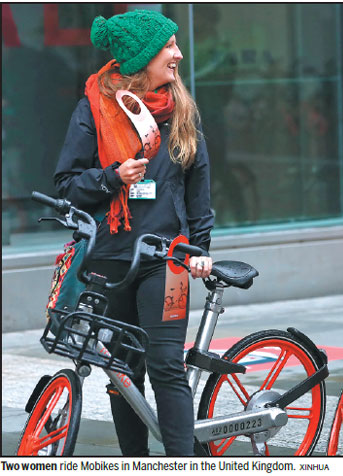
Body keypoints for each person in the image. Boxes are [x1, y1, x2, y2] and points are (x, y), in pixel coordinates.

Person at [54, 10, 215, 456]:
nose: (178, 54)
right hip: (109, 260)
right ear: (141, 56)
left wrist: (199, 249)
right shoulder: (93, 108)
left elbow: (199, 195)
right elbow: (67, 183)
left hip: (170, 259)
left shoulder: (181, 110)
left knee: (166, 365)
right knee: (123, 372)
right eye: (168, 46)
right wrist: (111, 178)